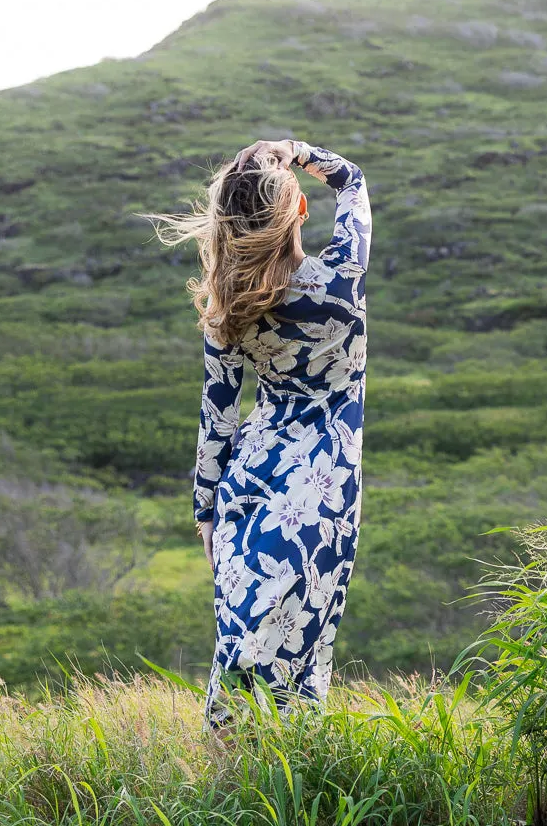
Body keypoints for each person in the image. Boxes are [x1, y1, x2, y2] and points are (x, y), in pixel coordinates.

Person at [141, 137, 370, 728]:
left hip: (250, 480)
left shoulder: (228, 305)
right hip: (325, 488)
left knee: (240, 648)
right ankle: (286, 786)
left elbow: (217, 415)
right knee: (302, 649)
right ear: (297, 212)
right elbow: (351, 181)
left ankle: (232, 784)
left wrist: (205, 509)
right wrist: (295, 149)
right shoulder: (342, 277)